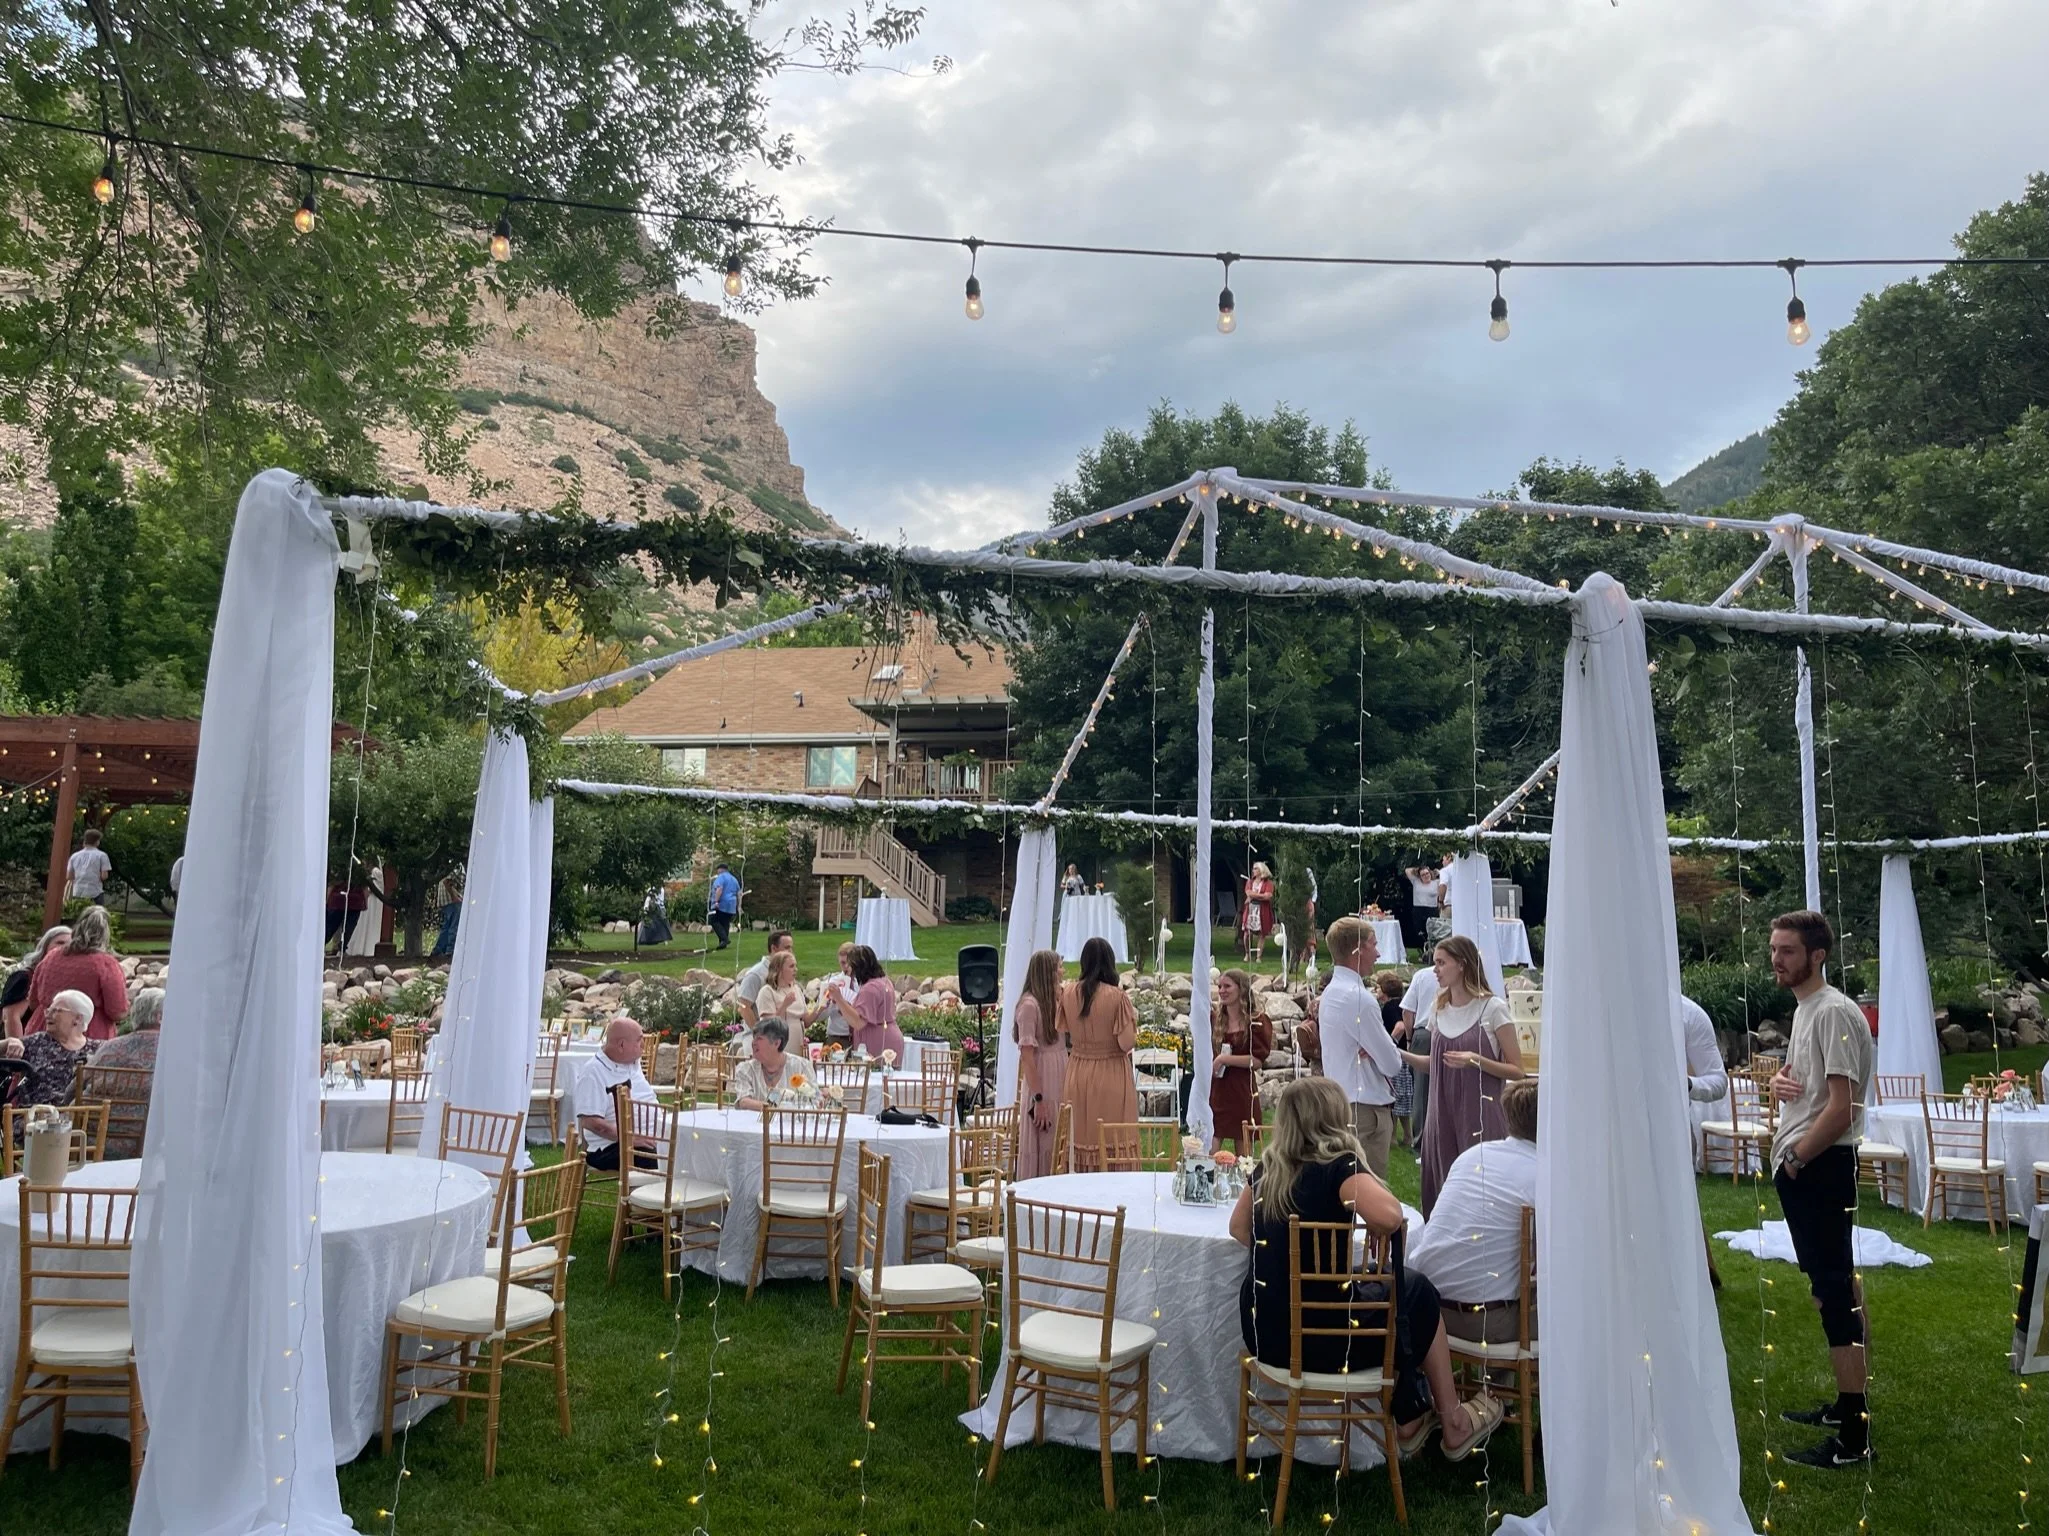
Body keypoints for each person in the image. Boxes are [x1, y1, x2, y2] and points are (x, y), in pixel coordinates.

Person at [1231, 1076, 1504, 1462]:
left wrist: (1292, 1261)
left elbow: (1238, 1228)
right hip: (1327, 1341)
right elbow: (1391, 1214)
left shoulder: (1267, 1170)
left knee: (1395, 1293)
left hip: (1267, 1334)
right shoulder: (1338, 1167)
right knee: (1416, 1290)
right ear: (1333, 1119)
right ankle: (1450, 1419)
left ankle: (1412, 1415)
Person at [1767, 909, 1876, 1469]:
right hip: (1812, 1164)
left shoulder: (1832, 1010)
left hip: (1822, 1166)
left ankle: (1855, 1438)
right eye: (1774, 948)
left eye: (1787, 950)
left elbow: (1844, 1107)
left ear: (1817, 955)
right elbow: (1805, 1088)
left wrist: (1795, 1158)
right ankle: (1846, 1406)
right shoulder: (1807, 1010)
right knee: (1833, 1283)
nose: (1776, 958)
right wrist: (1780, 1083)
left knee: (1833, 1292)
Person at [1407, 1079, 1539, 1345]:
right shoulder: (1542, 1172)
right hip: (1484, 1320)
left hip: (1426, 1308)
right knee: (1577, 1315)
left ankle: (1491, 1381)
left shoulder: (1473, 1155)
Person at [1399, 935, 1523, 1217]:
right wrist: (1400, 1055)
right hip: (1441, 1116)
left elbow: (1517, 1070)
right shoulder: (1438, 1007)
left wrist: (1476, 1060)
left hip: (1479, 1114)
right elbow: (1436, 1064)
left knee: (1481, 1192)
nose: (1436, 970)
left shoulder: (1493, 1009)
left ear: (1462, 965)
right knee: (1443, 1192)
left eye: (1441, 963)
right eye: (1435, 964)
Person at [1313, 917, 1405, 1180]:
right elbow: (1392, 1063)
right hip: (1365, 1109)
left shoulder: (1332, 991)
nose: (1378, 952)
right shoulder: (1359, 998)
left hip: (1342, 1100)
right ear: (1358, 949)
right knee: (1369, 1193)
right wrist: (1381, 1048)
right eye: (1374, 944)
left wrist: (1374, 1047)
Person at [1057, 936, 1137, 1171]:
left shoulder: (1069, 993)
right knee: (1112, 1137)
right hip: (1110, 1072)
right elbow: (1126, 1043)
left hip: (1078, 1070)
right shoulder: (1117, 997)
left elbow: (1065, 1032)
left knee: (1080, 1135)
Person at [25, 906, 128, 1041]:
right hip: (86, 1035)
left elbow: (33, 1002)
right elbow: (117, 1011)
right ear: (105, 935)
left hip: (43, 1029)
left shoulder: (51, 957)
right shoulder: (106, 964)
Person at [573, 1016, 660, 1171]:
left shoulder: (632, 1062)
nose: (643, 1045)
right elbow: (591, 1122)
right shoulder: (593, 1072)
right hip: (610, 1146)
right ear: (621, 1045)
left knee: (687, 1147)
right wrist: (630, 1138)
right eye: (639, 1040)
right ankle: (648, 1194)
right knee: (662, 1159)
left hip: (652, 1137)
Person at [86, 985, 162, 1158]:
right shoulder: (170, 1051)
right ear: (160, 1018)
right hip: (142, 1144)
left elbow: (72, 1089)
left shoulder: (109, 1046)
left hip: (92, 1137)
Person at [1014, 948, 1067, 1179]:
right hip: (1042, 1082)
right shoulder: (1029, 1006)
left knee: (1057, 1142)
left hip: (1059, 1079)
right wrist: (1039, 1099)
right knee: (1043, 1142)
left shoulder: (1053, 1002)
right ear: (1048, 972)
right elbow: (1027, 1056)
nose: (1063, 972)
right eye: (1059, 967)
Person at [0, 990, 99, 1113]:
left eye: (56, 1010)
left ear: (78, 1018)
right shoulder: (36, 1041)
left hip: (78, 1120)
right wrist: (8, 1042)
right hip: (32, 1120)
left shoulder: (97, 1050)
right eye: (48, 1010)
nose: (47, 1015)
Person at [1208, 968, 1272, 1154]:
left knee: (1243, 1156)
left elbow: (1257, 1060)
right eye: (1220, 986)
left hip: (1242, 1091)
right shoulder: (1217, 1019)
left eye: (1227, 986)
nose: (1222, 991)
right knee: (1209, 1148)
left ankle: (1244, 1183)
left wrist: (1224, 1059)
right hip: (1218, 1090)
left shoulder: (1256, 1022)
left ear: (1241, 989)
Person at [834, 945, 906, 1063]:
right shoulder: (885, 981)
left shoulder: (869, 989)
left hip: (877, 1043)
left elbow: (858, 1022)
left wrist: (839, 999)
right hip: (890, 1036)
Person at [2, 925, 70, 1041]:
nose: (65, 948)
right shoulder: (26, 976)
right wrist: (19, 1049)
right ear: (45, 946)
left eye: (70, 944)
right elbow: (11, 1017)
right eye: (60, 942)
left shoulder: (65, 980)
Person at [1398, 962, 1439, 1150]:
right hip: (1449, 1030)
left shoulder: (1422, 975)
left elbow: (1408, 1010)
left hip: (1424, 1033)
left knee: (1421, 1089)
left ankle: (1421, 1139)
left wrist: (1408, 1038)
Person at [1374, 970, 1416, 1145]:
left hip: (1396, 1056)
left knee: (1393, 1096)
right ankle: (1407, 1135)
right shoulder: (1402, 1004)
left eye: (1377, 987)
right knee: (1403, 1098)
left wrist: (1389, 1043)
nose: (1376, 991)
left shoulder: (1390, 1007)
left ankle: (1392, 1138)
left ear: (1384, 990)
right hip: (1405, 1056)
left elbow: (1399, 1026)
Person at [732, 1018, 807, 1109]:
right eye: (753, 1038)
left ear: (776, 1043)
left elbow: (815, 1099)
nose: (753, 1043)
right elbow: (743, 1101)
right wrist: (777, 1108)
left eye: (759, 1038)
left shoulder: (801, 1066)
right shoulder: (745, 1069)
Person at [735, 929, 795, 1029]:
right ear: (774, 948)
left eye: (791, 948)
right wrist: (759, 1033)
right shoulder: (756, 974)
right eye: (787, 948)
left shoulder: (787, 971)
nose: (791, 952)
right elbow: (743, 1007)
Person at [806, 941, 857, 1048]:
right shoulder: (832, 983)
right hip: (837, 1036)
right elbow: (820, 1017)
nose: (846, 966)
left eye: (849, 962)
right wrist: (827, 1005)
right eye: (842, 963)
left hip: (860, 1035)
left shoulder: (864, 983)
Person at [752, 950, 808, 1036]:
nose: (796, 969)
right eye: (791, 966)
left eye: (795, 966)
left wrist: (821, 1006)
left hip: (798, 1041)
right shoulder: (767, 991)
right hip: (778, 1042)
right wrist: (784, 1005)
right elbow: (768, 1025)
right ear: (779, 969)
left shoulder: (796, 989)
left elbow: (806, 1020)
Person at [1239, 861, 1276, 963]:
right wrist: (1260, 895)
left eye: (1256, 868)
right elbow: (1248, 892)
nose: (1253, 870)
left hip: (1262, 910)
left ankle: (1259, 957)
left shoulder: (1268, 883)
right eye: (1253, 868)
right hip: (1250, 909)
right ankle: (1247, 953)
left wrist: (1254, 895)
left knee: (1261, 934)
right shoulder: (1250, 882)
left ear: (1261, 870)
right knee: (1246, 933)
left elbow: (1268, 896)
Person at [65, 828, 112, 907]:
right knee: (95, 916)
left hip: (77, 892)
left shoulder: (74, 856)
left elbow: (69, 876)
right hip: (95, 892)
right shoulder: (102, 855)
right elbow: (104, 876)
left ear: (85, 841)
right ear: (97, 842)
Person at [1402, 861, 1442, 951]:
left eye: (1427, 873)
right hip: (1419, 909)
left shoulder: (1436, 882)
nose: (1426, 876)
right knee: (1419, 931)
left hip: (1432, 909)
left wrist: (1438, 872)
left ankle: (1432, 950)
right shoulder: (1416, 882)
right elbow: (1407, 870)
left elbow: (1445, 880)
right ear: (1420, 876)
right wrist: (1418, 870)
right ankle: (1422, 950)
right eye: (1423, 875)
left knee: (1432, 931)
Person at [706, 861, 741, 950]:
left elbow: (719, 889)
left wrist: (716, 901)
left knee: (713, 920)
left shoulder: (721, 877)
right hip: (732, 904)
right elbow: (739, 893)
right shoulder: (733, 879)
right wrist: (738, 905)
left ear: (720, 870)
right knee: (725, 923)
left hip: (722, 903)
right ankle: (723, 943)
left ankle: (725, 939)